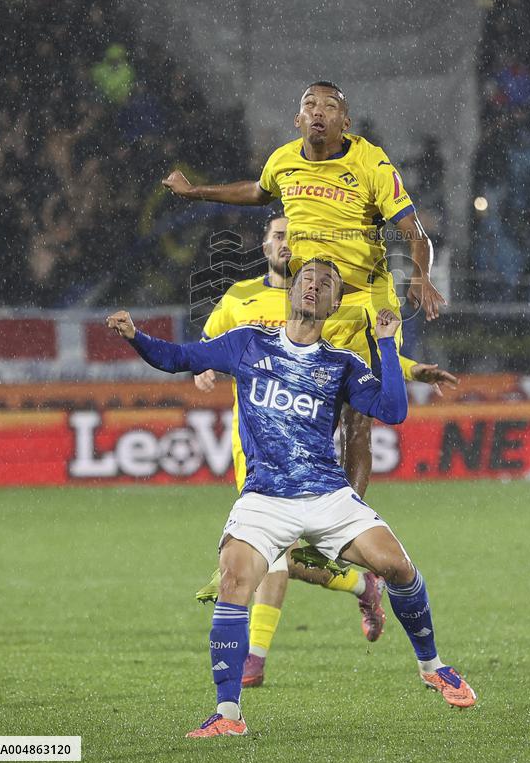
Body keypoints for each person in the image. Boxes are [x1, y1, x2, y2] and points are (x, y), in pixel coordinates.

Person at [106, 258, 476, 739]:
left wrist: (385, 344)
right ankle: (228, 714)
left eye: (325, 284)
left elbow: (392, 409)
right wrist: (135, 334)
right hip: (265, 497)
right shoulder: (248, 344)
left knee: (399, 568)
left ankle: (432, 666)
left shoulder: (341, 364)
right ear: (291, 291)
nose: (313, 287)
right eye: (306, 280)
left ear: (334, 303)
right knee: (236, 579)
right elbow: (178, 358)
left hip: (327, 494)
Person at [195, 212, 459, 688]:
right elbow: (209, 342)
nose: (282, 243)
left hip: (308, 441)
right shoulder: (239, 298)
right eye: (275, 235)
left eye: (288, 236)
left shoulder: (319, 298)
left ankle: (252, 658)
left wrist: (415, 370)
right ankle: (361, 583)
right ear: (263, 245)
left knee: (277, 557)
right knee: (289, 557)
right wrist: (201, 366)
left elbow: (362, 357)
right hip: (252, 447)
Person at [161, 80, 446, 329]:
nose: (318, 111)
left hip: (364, 304)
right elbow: (257, 192)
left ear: (346, 124)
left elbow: (415, 232)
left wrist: (421, 276)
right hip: (309, 308)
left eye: (330, 106)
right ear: (298, 119)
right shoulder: (283, 160)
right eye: (309, 104)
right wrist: (193, 191)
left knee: (371, 391)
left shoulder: (372, 163)